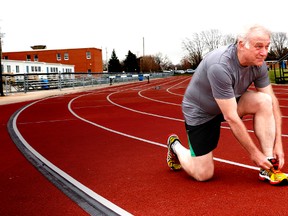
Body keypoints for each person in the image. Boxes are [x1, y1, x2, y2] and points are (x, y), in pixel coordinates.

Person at [167, 24, 287, 185]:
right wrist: (253, 153)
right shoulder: (220, 65)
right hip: (201, 111)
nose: (264, 53)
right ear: (241, 44)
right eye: (259, 46)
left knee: (265, 101)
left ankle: (268, 164)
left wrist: (278, 144)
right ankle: (175, 146)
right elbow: (230, 116)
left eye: (267, 46)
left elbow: (272, 103)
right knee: (203, 174)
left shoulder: (259, 65)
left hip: (231, 100)